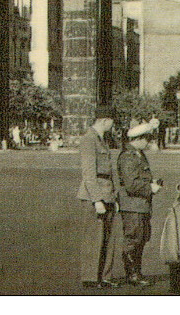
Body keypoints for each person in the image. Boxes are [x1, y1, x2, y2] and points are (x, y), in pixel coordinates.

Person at [77, 104, 120, 289]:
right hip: (95, 195)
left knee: (108, 239)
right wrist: (96, 200)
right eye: (112, 121)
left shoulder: (102, 139)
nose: (113, 125)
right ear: (104, 120)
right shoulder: (89, 139)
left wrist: (112, 197)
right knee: (95, 238)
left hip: (107, 194)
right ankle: (91, 278)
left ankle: (104, 276)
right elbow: (89, 173)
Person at [117, 119, 162, 287]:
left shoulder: (138, 155)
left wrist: (153, 182)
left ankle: (136, 272)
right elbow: (131, 184)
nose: (149, 142)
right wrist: (150, 188)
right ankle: (132, 275)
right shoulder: (129, 157)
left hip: (140, 205)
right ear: (138, 138)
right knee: (133, 240)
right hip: (132, 205)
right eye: (147, 139)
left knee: (141, 238)